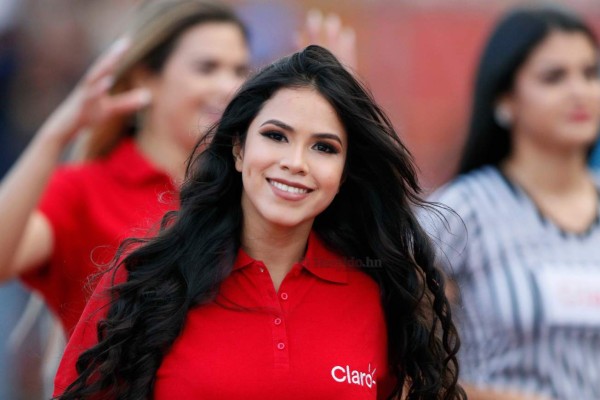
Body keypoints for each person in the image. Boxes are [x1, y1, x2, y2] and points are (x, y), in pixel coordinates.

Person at [52, 45, 466, 400]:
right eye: (276, 136)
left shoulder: (380, 294)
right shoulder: (149, 280)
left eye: (324, 147)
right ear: (237, 149)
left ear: (343, 173)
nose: (295, 163)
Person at [0, 0, 251, 337]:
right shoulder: (84, 188)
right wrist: (57, 133)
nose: (229, 88)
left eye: (239, 71)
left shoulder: (246, 191)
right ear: (145, 77)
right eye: (207, 68)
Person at [423, 5, 600, 400]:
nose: (580, 91)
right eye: (554, 77)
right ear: (505, 99)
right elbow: (405, 357)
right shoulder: (463, 210)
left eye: (591, 73)